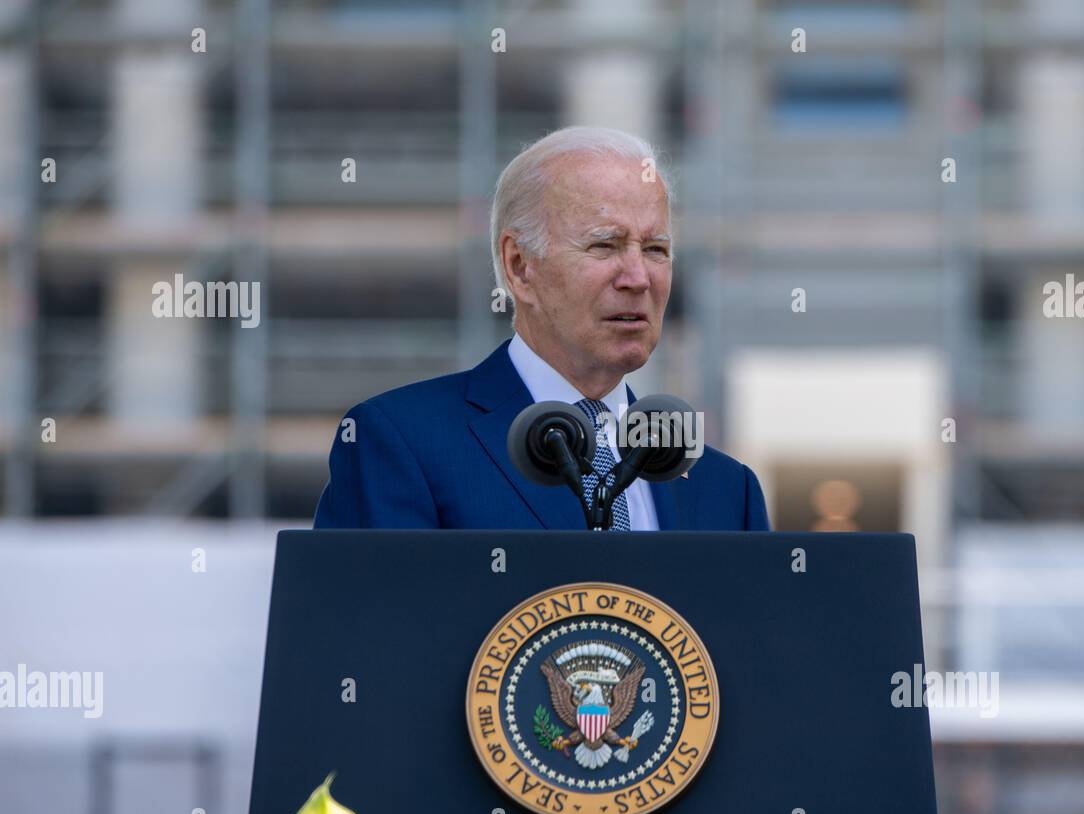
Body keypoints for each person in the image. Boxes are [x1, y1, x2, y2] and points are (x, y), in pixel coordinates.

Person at [313, 126, 769, 531]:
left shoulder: (728, 492)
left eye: (655, 249)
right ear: (520, 266)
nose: (638, 278)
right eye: (604, 245)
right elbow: (371, 625)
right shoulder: (401, 444)